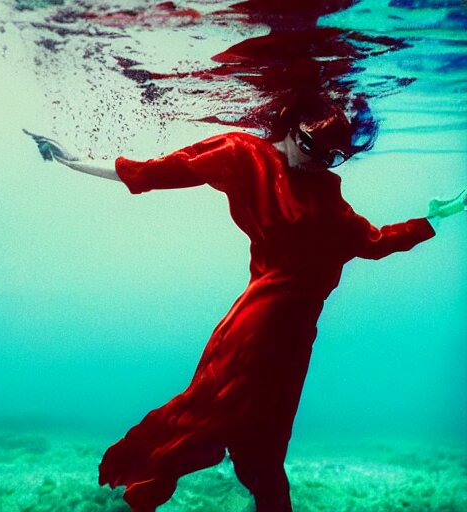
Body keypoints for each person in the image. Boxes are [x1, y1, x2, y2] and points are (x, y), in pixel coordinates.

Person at [24, 99, 466, 512]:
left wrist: (434, 220)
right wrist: (73, 160)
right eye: (310, 146)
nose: (314, 162)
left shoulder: (327, 199)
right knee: (206, 421)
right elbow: (152, 173)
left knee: (265, 460)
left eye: (331, 157)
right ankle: (154, 472)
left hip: (296, 342)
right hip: (256, 329)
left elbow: (374, 242)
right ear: (292, 127)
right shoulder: (243, 155)